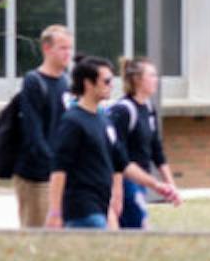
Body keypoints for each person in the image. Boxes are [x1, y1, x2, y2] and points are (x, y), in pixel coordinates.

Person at [48, 55, 135, 229]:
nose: (111, 85)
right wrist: (55, 212)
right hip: (82, 210)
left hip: (101, 206)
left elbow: (120, 163)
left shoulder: (104, 120)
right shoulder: (73, 121)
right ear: (88, 83)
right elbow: (59, 169)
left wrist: (157, 184)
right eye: (107, 81)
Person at [3, 24, 72, 229]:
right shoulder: (34, 81)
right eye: (62, 48)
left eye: (69, 48)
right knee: (37, 231)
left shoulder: (66, 83)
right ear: (47, 49)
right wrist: (52, 164)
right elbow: (33, 132)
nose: (67, 53)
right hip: (37, 175)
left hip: (60, 174)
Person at [110, 58, 180, 229]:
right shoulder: (123, 111)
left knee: (130, 228)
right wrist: (116, 191)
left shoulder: (148, 108)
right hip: (127, 181)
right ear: (137, 79)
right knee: (141, 227)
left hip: (142, 180)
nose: (156, 80)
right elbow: (116, 156)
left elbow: (157, 150)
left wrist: (171, 185)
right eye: (152, 75)